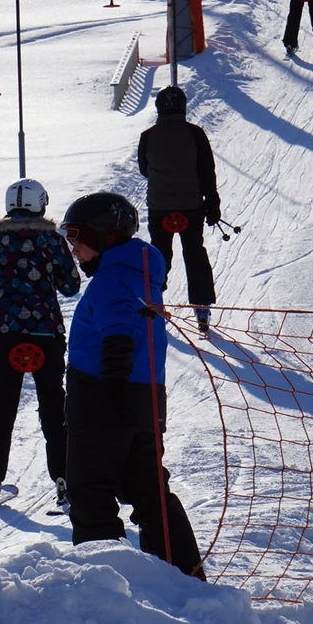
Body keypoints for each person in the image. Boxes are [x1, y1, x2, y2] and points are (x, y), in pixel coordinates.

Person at [58, 192, 205, 580]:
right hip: (144, 400)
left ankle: (100, 583)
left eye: (78, 237)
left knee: (90, 490)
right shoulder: (139, 273)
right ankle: (185, 575)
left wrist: (109, 386)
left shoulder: (112, 279)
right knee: (148, 489)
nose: (74, 248)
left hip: (103, 397)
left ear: (106, 235)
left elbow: (119, 329)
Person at [0, 179, 81, 507]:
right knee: (53, 402)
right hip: (46, 332)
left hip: (5, 333)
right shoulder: (52, 240)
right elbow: (70, 286)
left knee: (2, 404)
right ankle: (65, 477)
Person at [137, 85, 220, 333]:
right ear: (183, 107)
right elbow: (206, 171)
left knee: (159, 254)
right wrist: (212, 203)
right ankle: (202, 308)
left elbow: (144, 169)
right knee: (194, 252)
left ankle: (153, 301)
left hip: (160, 207)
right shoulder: (195, 134)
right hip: (191, 206)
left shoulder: (148, 136)